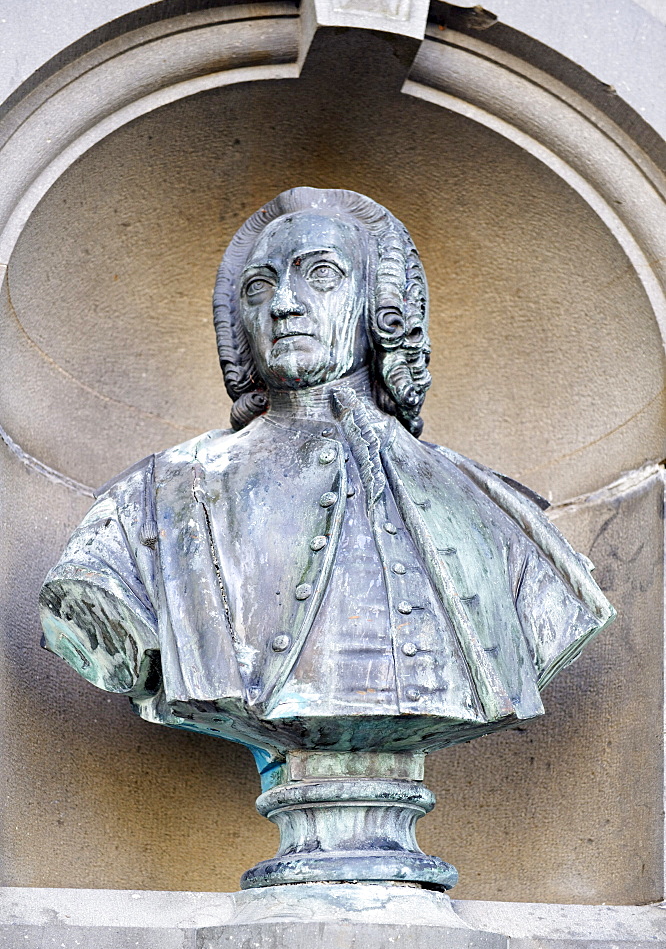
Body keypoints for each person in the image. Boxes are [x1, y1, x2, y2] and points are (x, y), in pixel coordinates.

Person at [39, 187, 615, 769]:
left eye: (320, 274)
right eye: (259, 288)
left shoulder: (492, 507)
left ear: (380, 307)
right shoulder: (156, 499)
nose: (284, 303)